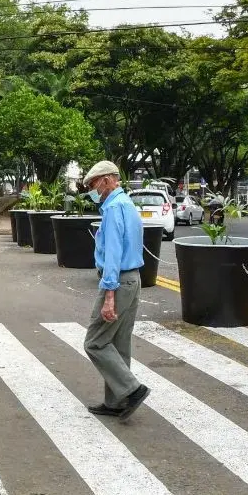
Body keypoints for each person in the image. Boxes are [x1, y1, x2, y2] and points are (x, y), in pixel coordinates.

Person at [82, 160, 150, 421]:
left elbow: (113, 253)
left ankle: (132, 390)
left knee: (95, 342)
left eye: (93, 184)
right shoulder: (128, 205)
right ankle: (116, 402)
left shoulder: (113, 208)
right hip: (133, 279)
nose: (92, 189)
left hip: (118, 280)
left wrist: (109, 294)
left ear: (107, 181)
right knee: (119, 342)